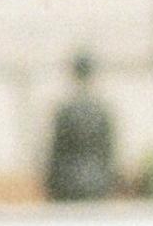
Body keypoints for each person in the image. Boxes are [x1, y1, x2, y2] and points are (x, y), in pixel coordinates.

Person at [42, 52, 120, 201]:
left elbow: (56, 152)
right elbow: (109, 152)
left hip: (67, 182)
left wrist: (52, 185)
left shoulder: (65, 110)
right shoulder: (101, 111)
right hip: (98, 182)